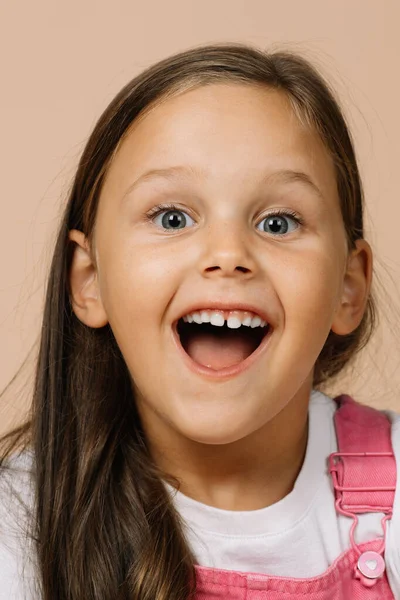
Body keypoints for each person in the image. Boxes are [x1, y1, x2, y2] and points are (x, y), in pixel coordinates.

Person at [0, 42, 399, 600]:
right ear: (89, 280)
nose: (228, 253)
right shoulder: (18, 527)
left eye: (279, 222)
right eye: (172, 217)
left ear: (347, 288)